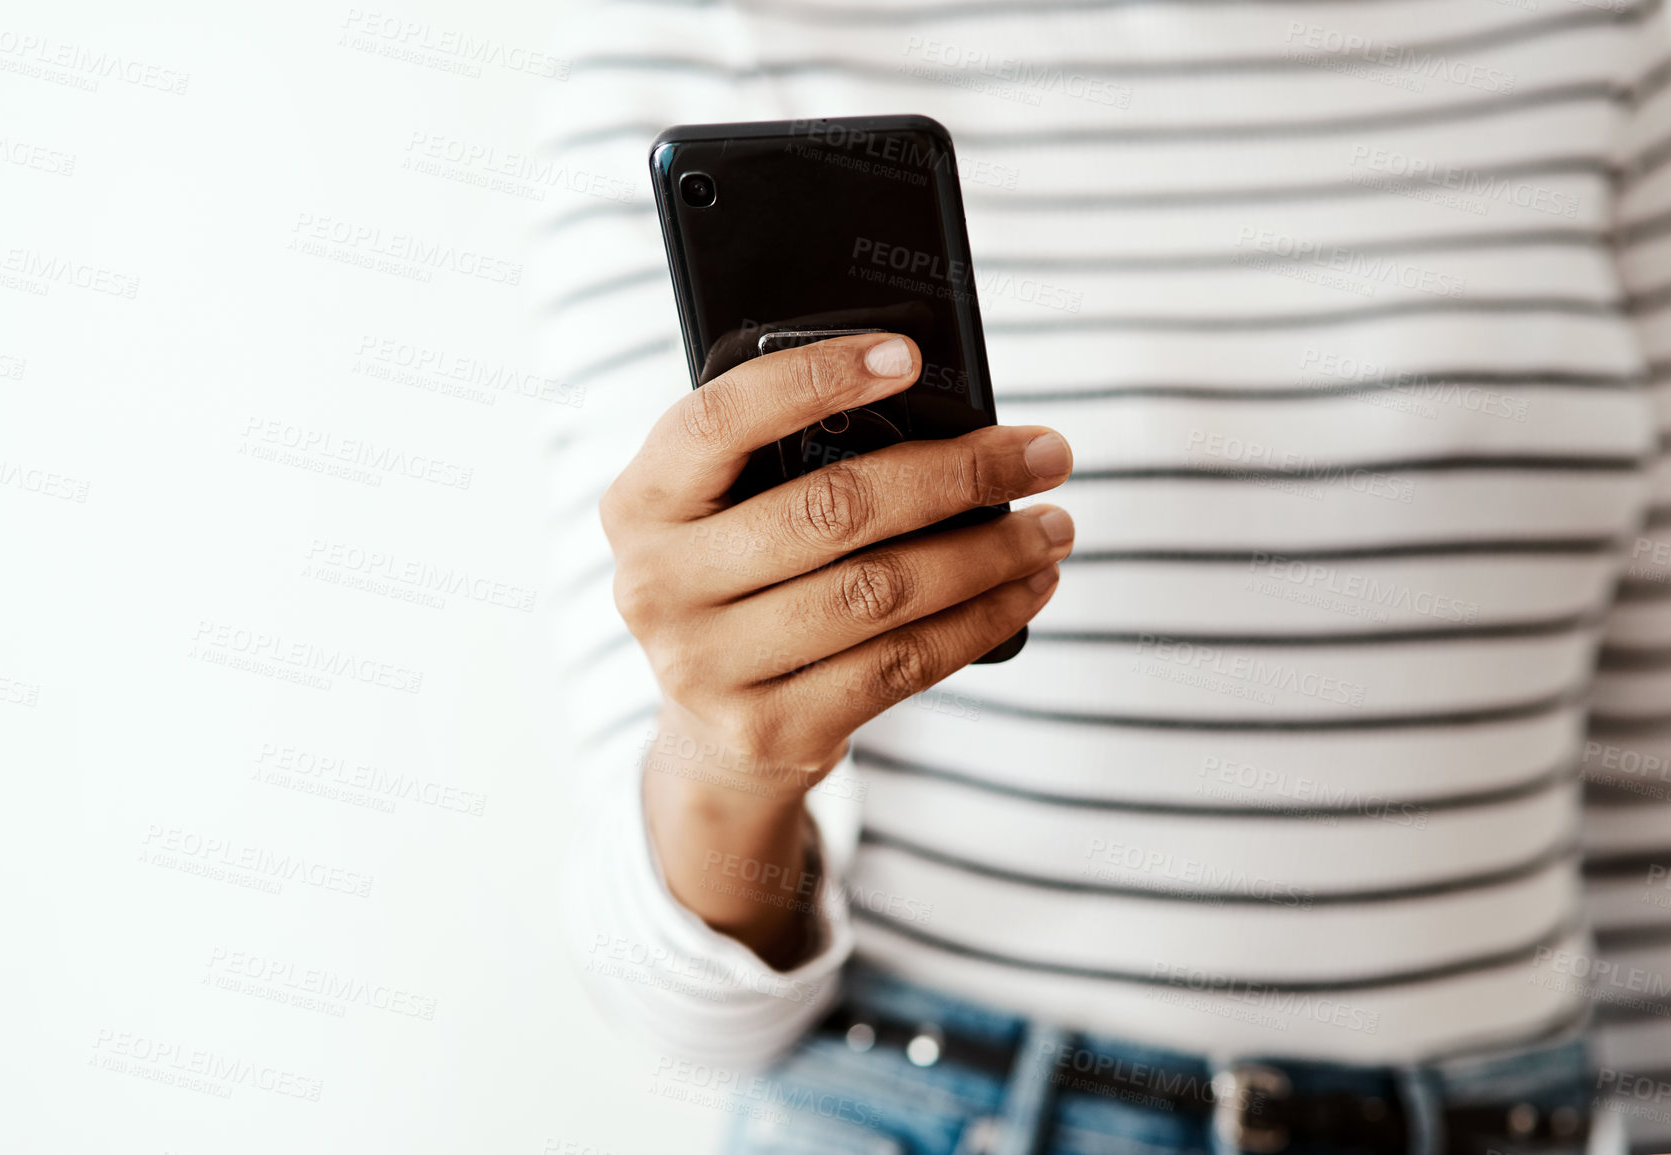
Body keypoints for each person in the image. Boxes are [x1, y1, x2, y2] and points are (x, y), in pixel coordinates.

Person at [524, 2, 1671, 1152]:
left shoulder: (1606, 35)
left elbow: (1647, 815)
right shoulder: (718, 29)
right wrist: (731, 770)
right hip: (955, 1111)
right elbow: (674, 998)